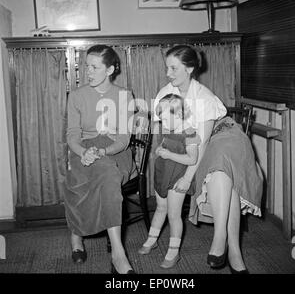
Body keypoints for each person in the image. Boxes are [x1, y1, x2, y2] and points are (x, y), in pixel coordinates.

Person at [152, 45, 263, 274]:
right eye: (167, 68)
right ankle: (233, 251)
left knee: (220, 160)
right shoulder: (166, 92)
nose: (168, 73)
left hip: (224, 136)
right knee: (222, 177)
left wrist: (187, 177)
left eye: (173, 68)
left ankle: (220, 238)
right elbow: (168, 132)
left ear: (190, 69)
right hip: (197, 142)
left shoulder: (203, 97)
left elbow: (201, 143)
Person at [63, 44, 136, 274]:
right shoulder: (76, 96)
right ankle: (85, 240)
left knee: (107, 172)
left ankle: (116, 252)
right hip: (83, 150)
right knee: (95, 174)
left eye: (94, 67)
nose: (88, 71)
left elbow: (124, 139)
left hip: (116, 152)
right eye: (87, 66)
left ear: (110, 69)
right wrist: (83, 152)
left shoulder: (125, 95)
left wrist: (104, 152)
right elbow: (72, 134)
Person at [138, 94, 201, 269]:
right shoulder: (165, 127)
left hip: (177, 177)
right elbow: (164, 145)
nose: (163, 123)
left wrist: (169, 154)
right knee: (160, 208)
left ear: (179, 115)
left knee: (174, 215)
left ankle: (174, 252)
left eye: (166, 119)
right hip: (162, 173)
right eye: (161, 118)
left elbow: (192, 159)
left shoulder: (189, 132)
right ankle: (152, 240)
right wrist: (160, 149)